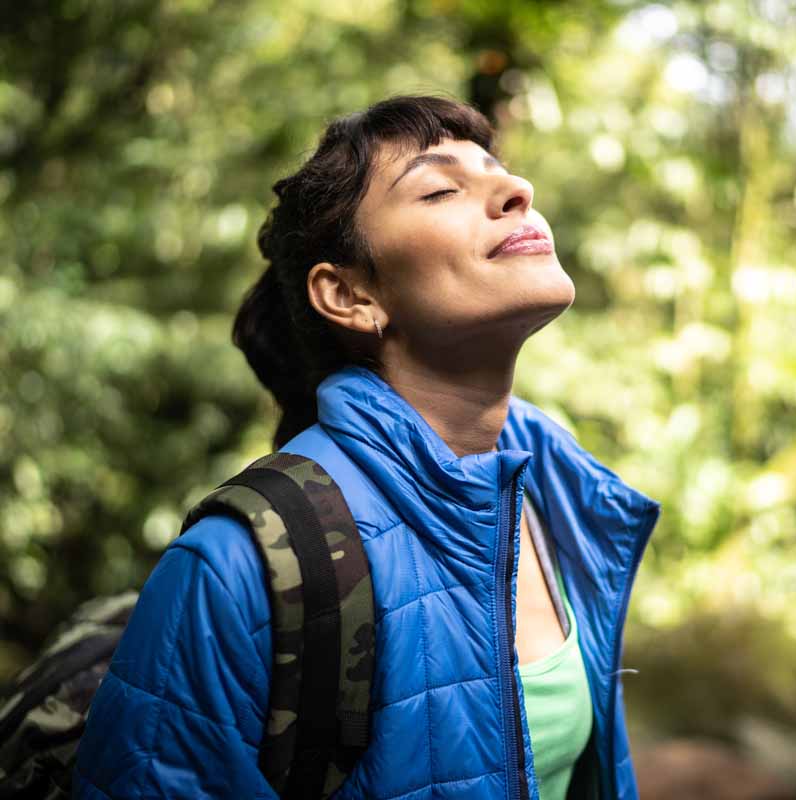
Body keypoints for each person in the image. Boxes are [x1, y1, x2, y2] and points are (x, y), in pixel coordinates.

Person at [73, 94, 660, 800]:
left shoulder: (560, 493)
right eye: (441, 188)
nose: (517, 190)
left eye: (500, 171)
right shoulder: (237, 568)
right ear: (349, 295)